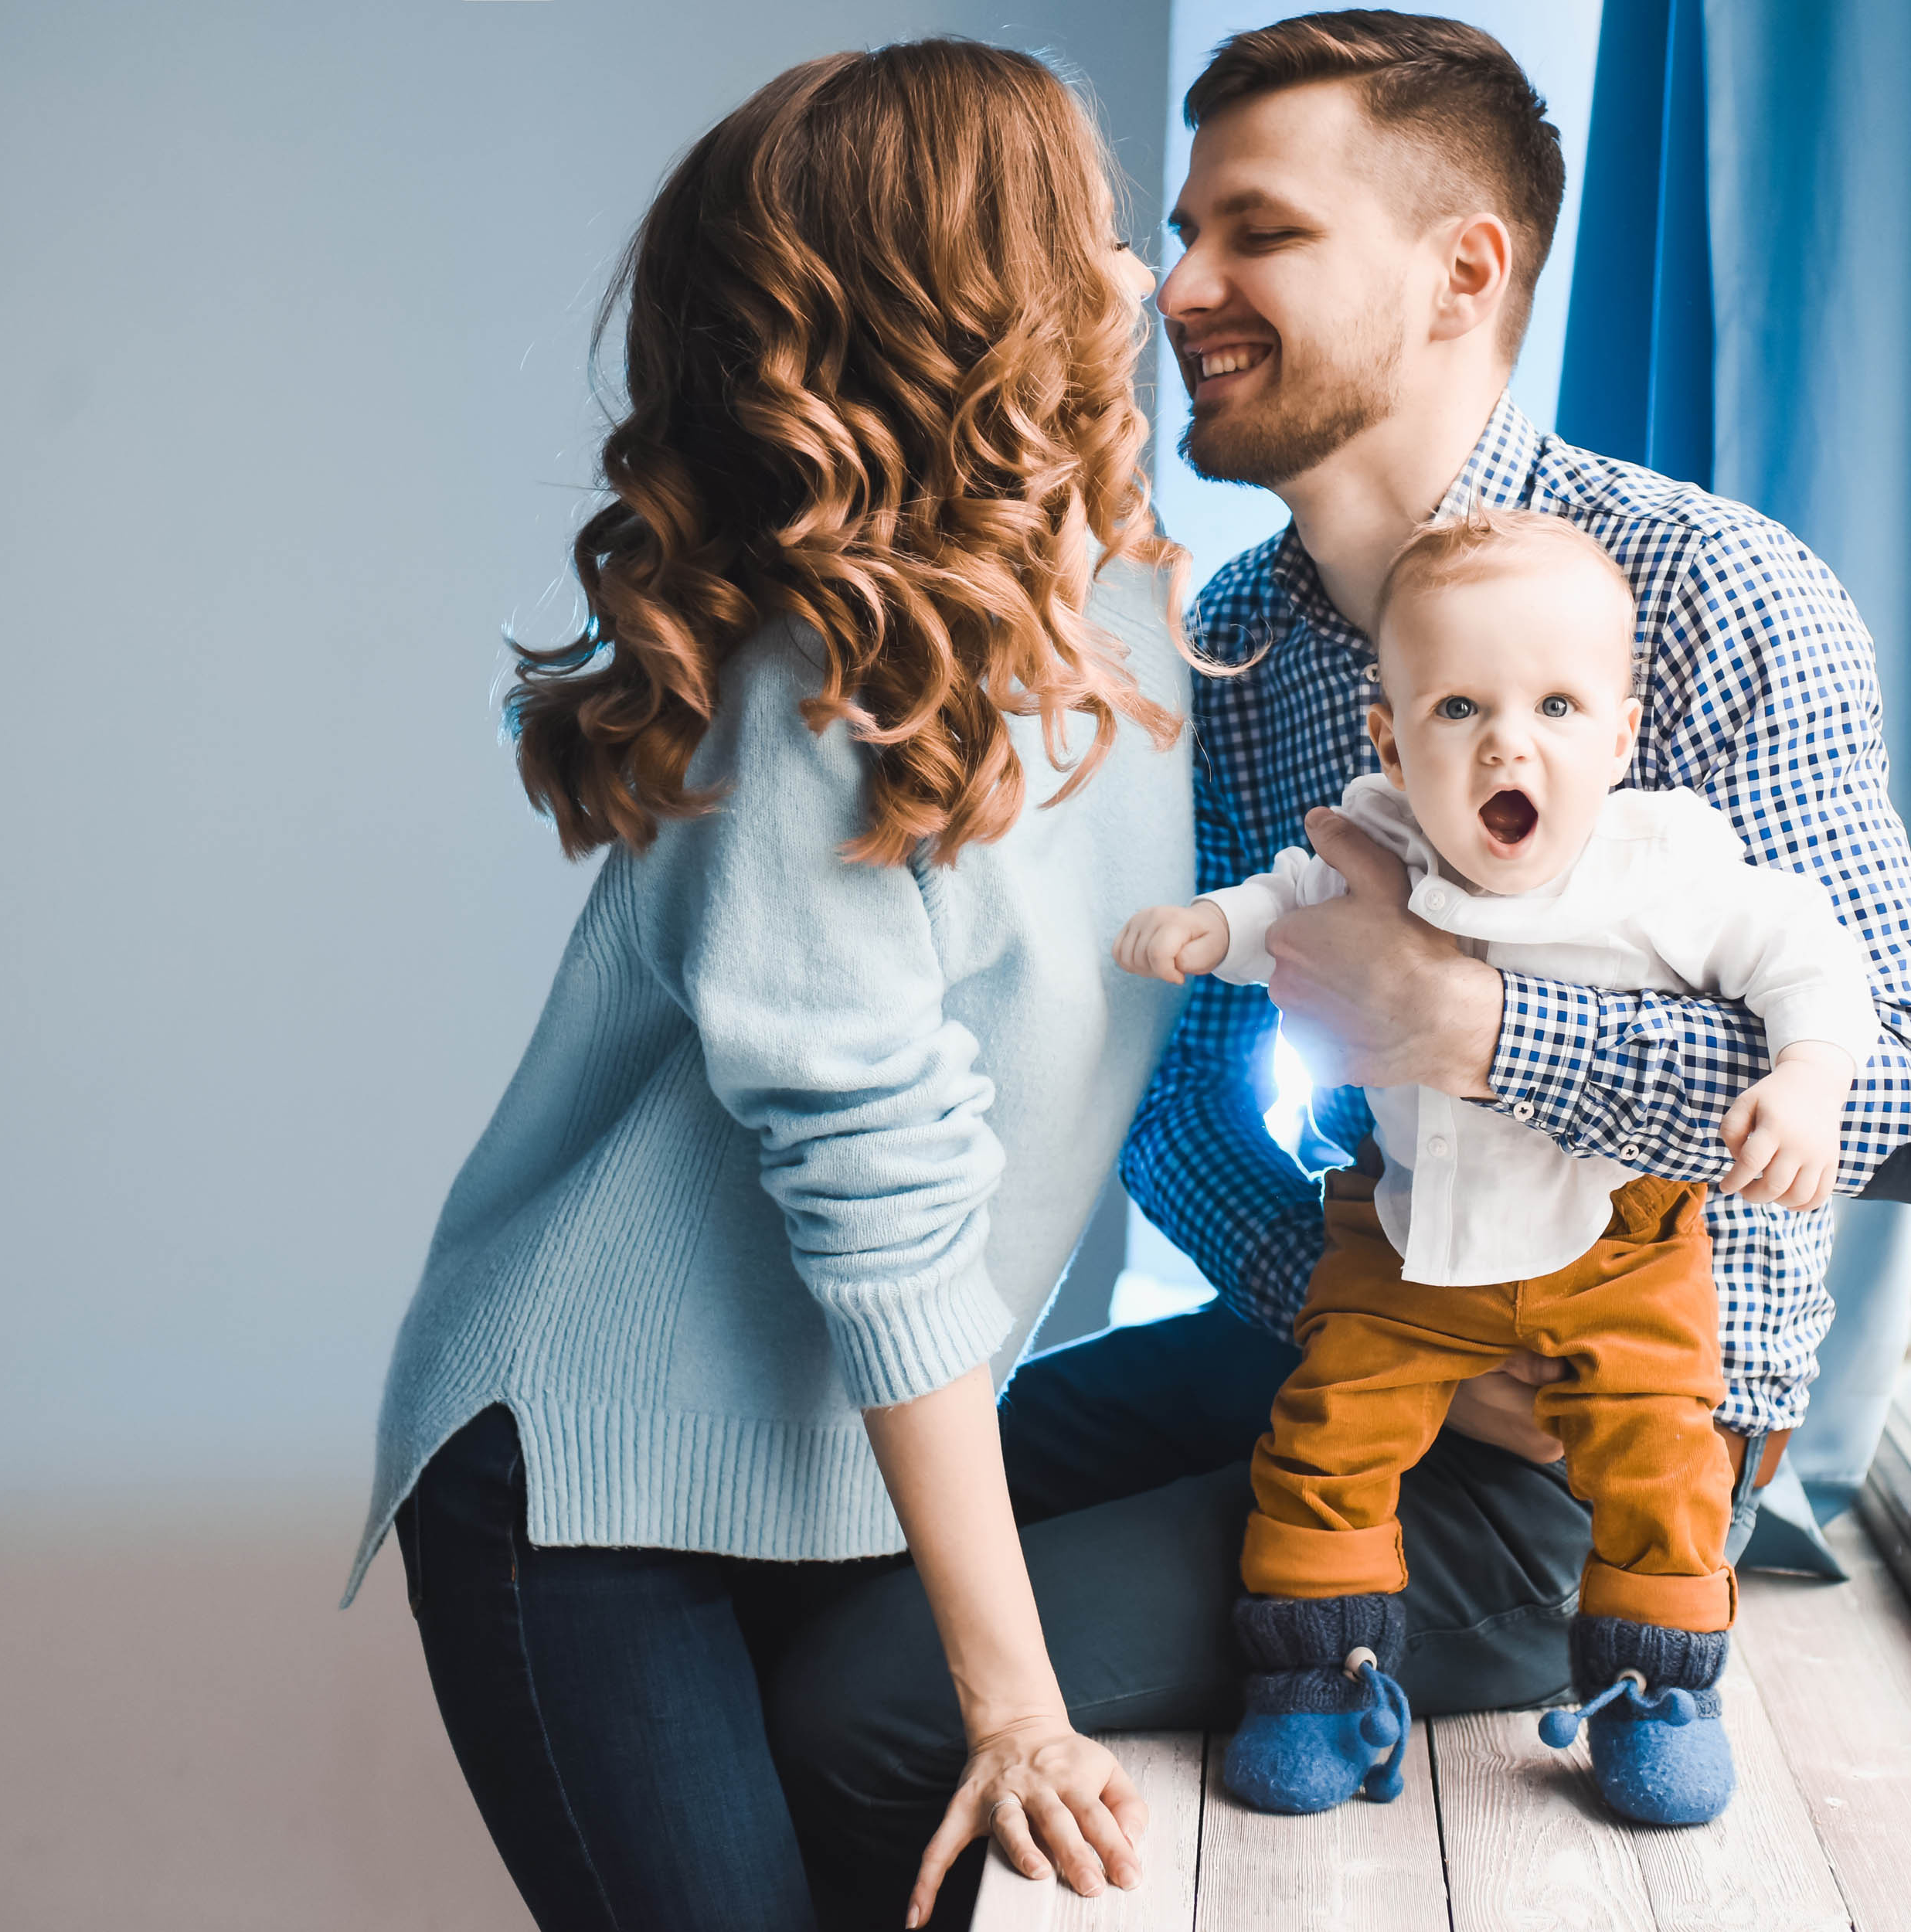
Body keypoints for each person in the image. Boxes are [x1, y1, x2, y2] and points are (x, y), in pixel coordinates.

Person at [767, 10, 1911, 1918]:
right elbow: (1167, 1075)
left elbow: (1890, 1086)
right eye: (1185, 229)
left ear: (1462, 267)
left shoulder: (1713, 596)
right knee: (809, 1532)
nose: (1178, 288)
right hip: (1352, 1340)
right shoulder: (1231, 641)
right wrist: (1353, 1293)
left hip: (1603, 1450)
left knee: (873, 1702)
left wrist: (1474, 1023)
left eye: (1257, 235)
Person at [340, 40, 1199, 1932]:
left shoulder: (1139, 614)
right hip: (587, 1485)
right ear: (987, 308)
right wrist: (1014, 1696)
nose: (1147, 281)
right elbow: (882, 1196)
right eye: (1100, 237)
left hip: (846, 1464)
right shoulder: (817, 688)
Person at [1115, 505, 1875, 1825]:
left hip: (1617, 1254)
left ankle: (1656, 1696)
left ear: (1622, 737)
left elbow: (1811, 957)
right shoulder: (1379, 836)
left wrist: (1806, 1076)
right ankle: (1317, 1683)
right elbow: (1284, 903)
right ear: (1391, 739)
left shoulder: (1665, 865)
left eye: (1560, 707)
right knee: (1323, 1440)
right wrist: (1209, 928)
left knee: (1662, 1464)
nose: (1509, 742)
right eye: (1458, 707)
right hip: (1403, 1247)